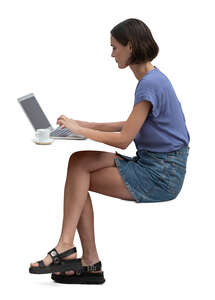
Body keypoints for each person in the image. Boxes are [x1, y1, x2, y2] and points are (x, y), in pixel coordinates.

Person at [29, 18, 190, 284]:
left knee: (79, 180)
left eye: (115, 47)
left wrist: (80, 131)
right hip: (154, 162)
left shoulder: (150, 84)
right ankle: (79, 256)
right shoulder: (153, 79)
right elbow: (132, 123)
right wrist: (84, 124)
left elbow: (125, 138)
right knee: (79, 162)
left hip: (162, 174)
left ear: (130, 46)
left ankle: (73, 252)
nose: (112, 54)